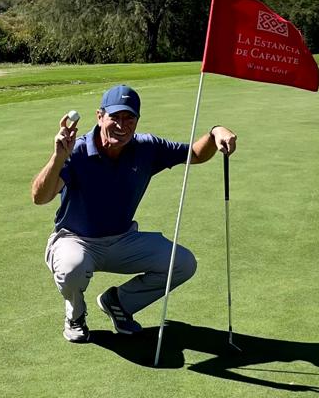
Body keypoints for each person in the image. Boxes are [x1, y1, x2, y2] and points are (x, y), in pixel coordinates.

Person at [31, 84, 237, 343]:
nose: (122, 124)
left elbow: (195, 154)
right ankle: (75, 314)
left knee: (183, 263)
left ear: (137, 120)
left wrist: (215, 131)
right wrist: (58, 157)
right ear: (100, 116)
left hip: (123, 240)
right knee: (72, 268)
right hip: (75, 240)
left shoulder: (146, 147)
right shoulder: (78, 151)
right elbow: (40, 197)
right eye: (115, 117)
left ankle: (118, 302)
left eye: (129, 118)